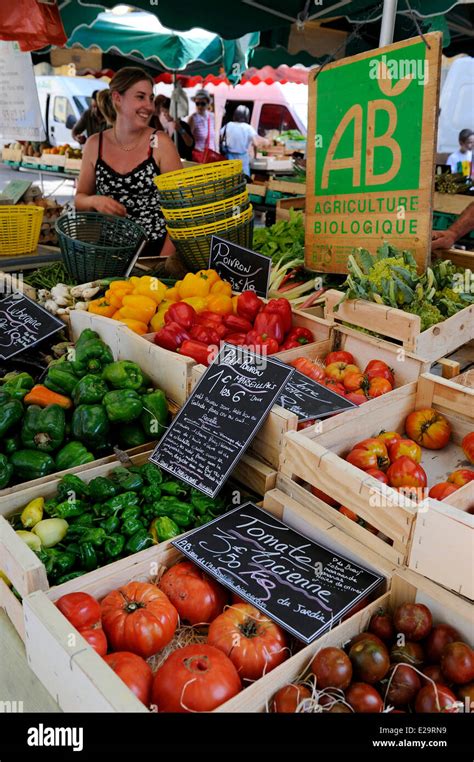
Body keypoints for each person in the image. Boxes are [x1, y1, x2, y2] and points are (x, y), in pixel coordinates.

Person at [75, 67, 184, 266]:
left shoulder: (160, 143)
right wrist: (96, 201)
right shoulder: (94, 144)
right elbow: (80, 199)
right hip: (108, 255)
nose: (149, 106)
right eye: (140, 97)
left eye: (150, 98)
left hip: (154, 253)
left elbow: (181, 209)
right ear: (117, 98)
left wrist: (161, 263)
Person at [220, 105, 269, 177]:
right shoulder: (248, 128)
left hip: (229, 158)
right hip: (242, 160)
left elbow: (220, 137)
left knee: (229, 179)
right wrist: (265, 142)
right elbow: (255, 143)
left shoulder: (228, 125)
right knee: (244, 180)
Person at [188, 89, 215, 157]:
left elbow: (214, 138)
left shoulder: (212, 117)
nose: (199, 106)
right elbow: (188, 139)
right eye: (197, 103)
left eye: (203, 104)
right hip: (198, 156)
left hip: (210, 156)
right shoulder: (193, 118)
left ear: (208, 103)